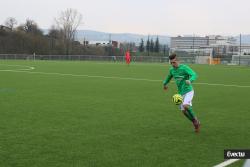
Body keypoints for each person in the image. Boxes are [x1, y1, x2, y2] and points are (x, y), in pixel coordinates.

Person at [163, 53, 201, 133]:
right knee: (183, 112)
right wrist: (165, 84)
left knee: (185, 106)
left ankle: (195, 121)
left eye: (174, 62)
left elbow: (194, 74)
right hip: (181, 93)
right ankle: (194, 121)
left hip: (189, 91)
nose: (173, 64)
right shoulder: (172, 70)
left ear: (178, 61)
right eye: (171, 63)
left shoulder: (184, 68)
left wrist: (190, 80)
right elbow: (169, 77)